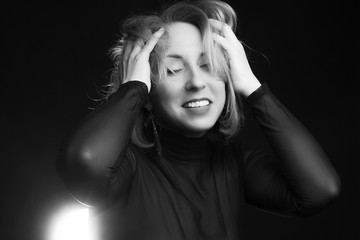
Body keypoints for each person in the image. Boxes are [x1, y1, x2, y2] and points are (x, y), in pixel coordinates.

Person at [56, 0, 341, 239]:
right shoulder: (128, 167)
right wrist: (131, 89)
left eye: (208, 66)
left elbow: (320, 190)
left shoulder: (233, 163)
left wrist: (253, 88)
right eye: (174, 69)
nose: (197, 82)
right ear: (148, 90)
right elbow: (85, 161)